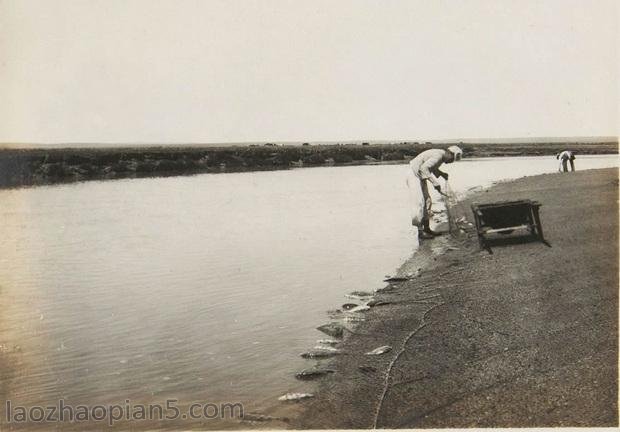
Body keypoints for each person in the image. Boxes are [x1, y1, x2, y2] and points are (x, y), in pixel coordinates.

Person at [407, 146, 463, 239]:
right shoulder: (438, 156)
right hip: (413, 175)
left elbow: (432, 168)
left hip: (419, 176)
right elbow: (423, 168)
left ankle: (427, 229)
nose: (450, 162)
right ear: (449, 153)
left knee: (427, 200)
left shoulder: (440, 157)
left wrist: (441, 173)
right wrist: (435, 183)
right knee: (419, 202)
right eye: (452, 159)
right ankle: (420, 232)